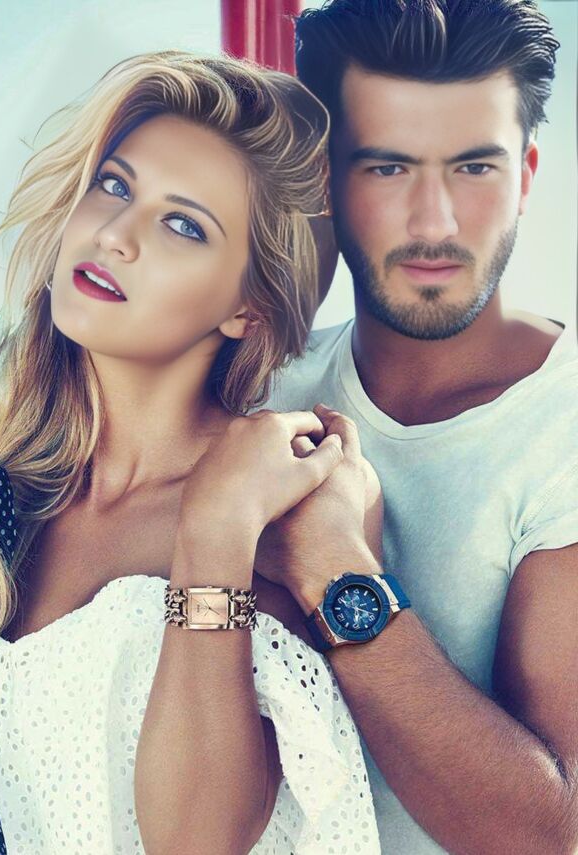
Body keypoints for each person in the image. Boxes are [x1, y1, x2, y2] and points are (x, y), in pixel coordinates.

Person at [0, 51, 381, 854]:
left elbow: (198, 840)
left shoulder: (288, 504)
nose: (115, 235)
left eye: (183, 225)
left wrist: (215, 530)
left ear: (248, 307)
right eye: (114, 186)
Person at [253, 1, 578, 853]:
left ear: (526, 174)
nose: (435, 222)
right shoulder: (258, 390)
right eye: (388, 167)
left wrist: (332, 568)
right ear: (326, 179)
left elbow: (552, 834)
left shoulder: (566, 425)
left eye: (474, 167)